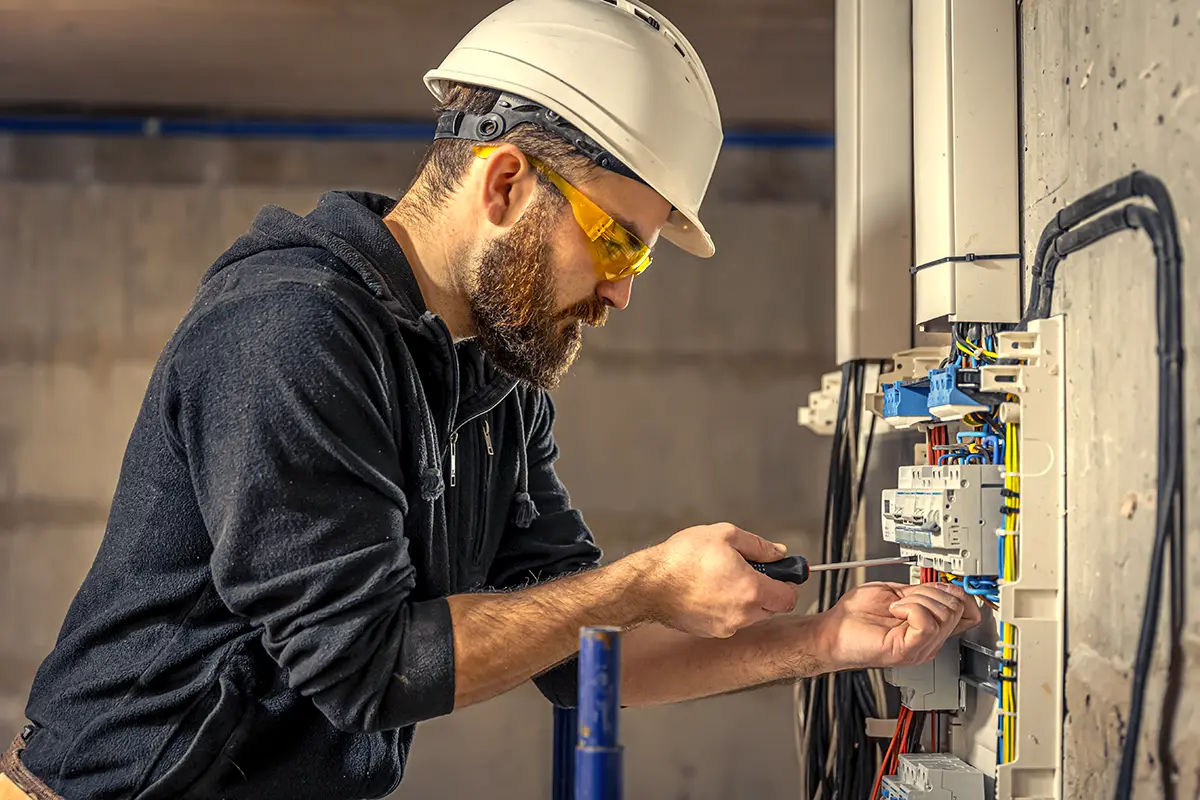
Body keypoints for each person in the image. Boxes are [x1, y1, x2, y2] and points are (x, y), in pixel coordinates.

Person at [1, 1, 980, 798]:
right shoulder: (291, 334)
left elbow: (578, 656)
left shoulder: (496, 387)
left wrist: (820, 640)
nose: (623, 289)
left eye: (640, 256)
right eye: (617, 242)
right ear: (506, 179)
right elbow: (369, 666)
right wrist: (641, 580)